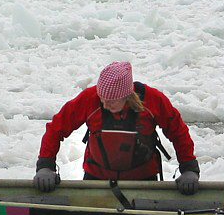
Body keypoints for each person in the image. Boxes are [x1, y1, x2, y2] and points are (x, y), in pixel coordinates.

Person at [34, 61, 200, 195]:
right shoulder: (89, 99)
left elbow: (178, 132)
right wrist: (45, 166)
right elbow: (56, 129)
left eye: (112, 101)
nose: (105, 105)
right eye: (102, 99)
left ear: (127, 96)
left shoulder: (153, 100)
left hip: (143, 182)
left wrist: (189, 168)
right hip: (96, 180)